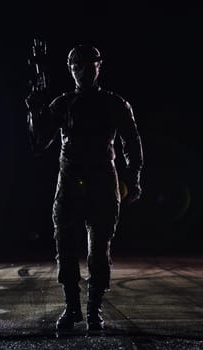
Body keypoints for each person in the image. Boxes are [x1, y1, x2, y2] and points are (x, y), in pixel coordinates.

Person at [25, 45, 143, 334]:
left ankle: (93, 310)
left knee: (99, 252)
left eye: (90, 66)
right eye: (78, 66)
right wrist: (35, 112)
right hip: (70, 183)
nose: (84, 71)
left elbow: (132, 141)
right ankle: (73, 308)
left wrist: (134, 177)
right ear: (71, 70)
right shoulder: (62, 104)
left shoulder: (114, 103)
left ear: (99, 68)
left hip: (103, 182)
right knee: (65, 250)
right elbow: (39, 143)